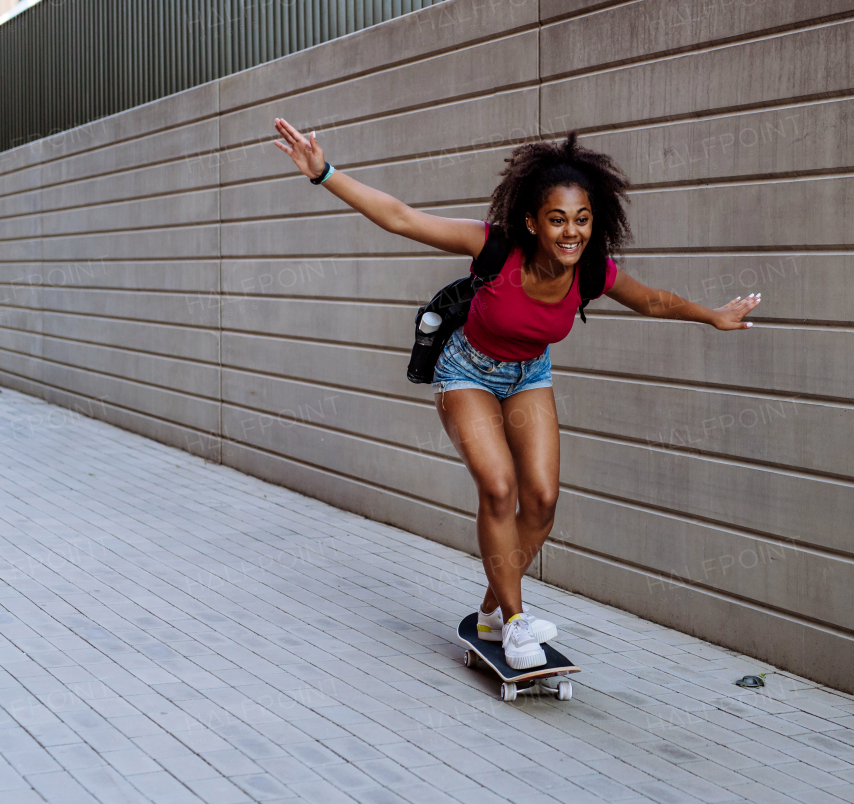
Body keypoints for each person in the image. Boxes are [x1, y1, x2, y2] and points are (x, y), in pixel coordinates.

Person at [272, 119, 762, 668]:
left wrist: (713, 317)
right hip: (468, 372)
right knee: (500, 490)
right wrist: (324, 174)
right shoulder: (496, 247)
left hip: (529, 375)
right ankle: (515, 621)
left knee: (543, 501)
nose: (570, 232)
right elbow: (402, 218)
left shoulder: (592, 270)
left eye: (581, 219)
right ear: (532, 221)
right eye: (557, 220)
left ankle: (491, 610)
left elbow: (652, 301)